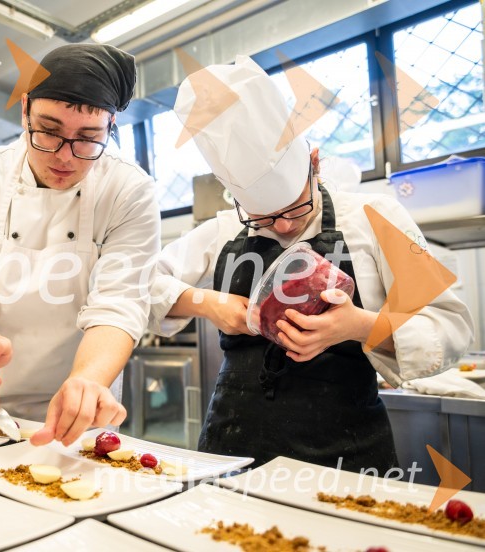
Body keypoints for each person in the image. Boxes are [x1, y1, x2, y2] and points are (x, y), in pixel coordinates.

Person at [149, 55, 474, 472]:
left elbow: (450, 326)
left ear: (314, 163)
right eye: (263, 218)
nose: (283, 225)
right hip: (230, 451)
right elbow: (139, 285)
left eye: (295, 207)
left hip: (345, 455)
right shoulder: (225, 228)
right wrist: (205, 304)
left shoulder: (377, 216)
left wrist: (357, 325)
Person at [0, 43, 160, 446]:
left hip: (78, 406)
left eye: (88, 139)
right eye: (48, 131)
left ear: (111, 127)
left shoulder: (129, 190)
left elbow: (119, 303)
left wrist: (87, 381)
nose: (64, 157)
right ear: (25, 109)